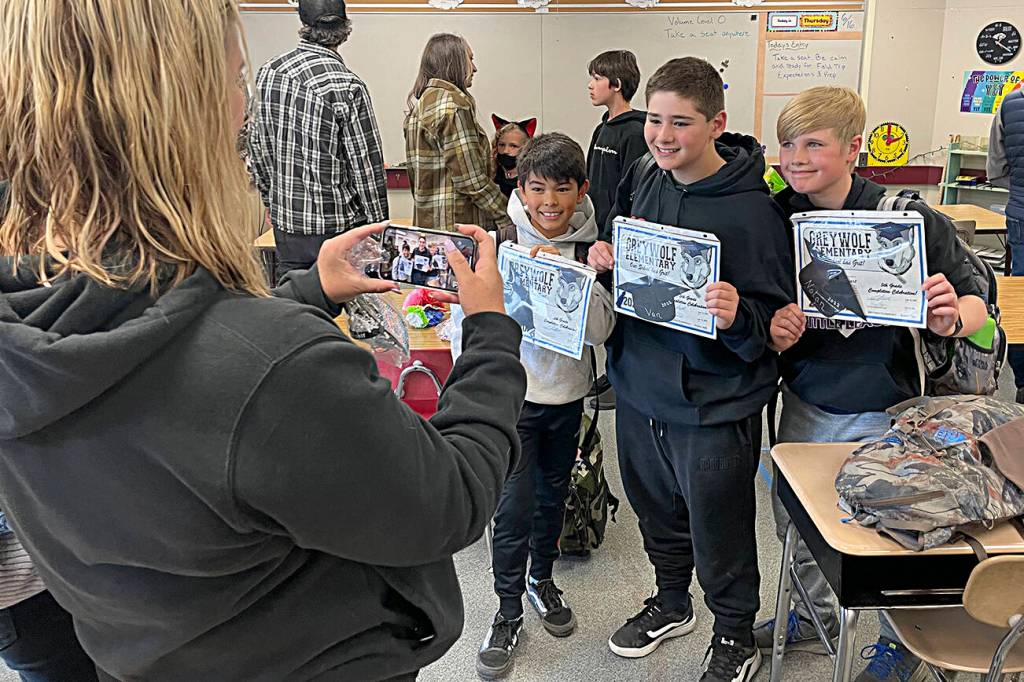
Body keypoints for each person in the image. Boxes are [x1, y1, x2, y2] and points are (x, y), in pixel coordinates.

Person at [0, 3, 527, 681]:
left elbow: (167, 360)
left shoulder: (28, 325)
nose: (245, 111)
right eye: (235, 80)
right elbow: (451, 498)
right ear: (179, 107)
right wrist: (490, 333)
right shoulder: (277, 368)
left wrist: (307, 293)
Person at [760, 86, 986, 682]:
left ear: (854, 147)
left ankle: (899, 638)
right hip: (807, 396)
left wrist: (950, 315)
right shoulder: (778, 215)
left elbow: (976, 303)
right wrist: (777, 333)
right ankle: (811, 615)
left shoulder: (906, 215)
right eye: (787, 143)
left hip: (890, 404)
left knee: (886, 529)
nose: (796, 157)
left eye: (814, 143)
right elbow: (771, 311)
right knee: (797, 519)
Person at [587, 57, 794, 682]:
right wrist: (607, 261)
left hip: (713, 399)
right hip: (639, 385)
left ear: (716, 123)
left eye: (682, 122)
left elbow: (778, 319)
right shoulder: (646, 176)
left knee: (720, 523)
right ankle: (671, 600)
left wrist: (739, 315)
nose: (663, 135)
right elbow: (637, 272)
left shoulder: (755, 209)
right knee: (655, 510)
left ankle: (734, 634)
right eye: (654, 119)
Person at [450, 133, 615, 680]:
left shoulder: (593, 249)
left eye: (562, 190)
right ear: (519, 187)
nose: (549, 202)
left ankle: (541, 579)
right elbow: (467, 326)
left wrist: (575, 282)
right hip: (514, 404)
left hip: (565, 398)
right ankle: (506, 608)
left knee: (552, 498)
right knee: (512, 507)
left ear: (581, 191)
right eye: (537, 188)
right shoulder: (499, 245)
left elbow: (601, 332)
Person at [249, 0, 388, 281]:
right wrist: (379, 227)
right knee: (348, 311)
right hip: (338, 226)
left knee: (296, 307)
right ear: (345, 29)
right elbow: (366, 168)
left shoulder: (269, 73)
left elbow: (256, 145)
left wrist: (270, 199)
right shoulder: (347, 85)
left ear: (304, 25)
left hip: (287, 223)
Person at [404, 34, 514, 239]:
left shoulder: (421, 107)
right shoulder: (454, 106)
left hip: (428, 228)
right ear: (453, 61)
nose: (474, 68)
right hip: (458, 231)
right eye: (470, 59)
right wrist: (508, 214)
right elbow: (471, 181)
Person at [585, 50, 647, 411]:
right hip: (599, 237)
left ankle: (621, 377)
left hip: (623, 240)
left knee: (623, 313)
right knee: (606, 307)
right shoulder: (601, 128)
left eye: (596, 78)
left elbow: (634, 191)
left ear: (617, 84)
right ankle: (611, 371)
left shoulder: (636, 132)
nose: (591, 86)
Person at [987, 87, 1024, 404]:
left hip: (1022, 215)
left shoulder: (1010, 105)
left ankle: (1023, 381)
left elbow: (995, 170)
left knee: (1020, 302)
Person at [490, 116, 536, 198]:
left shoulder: (531, 177)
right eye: (501, 145)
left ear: (526, 148)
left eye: (513, 146)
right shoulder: (492, 172)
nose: (505, 151)